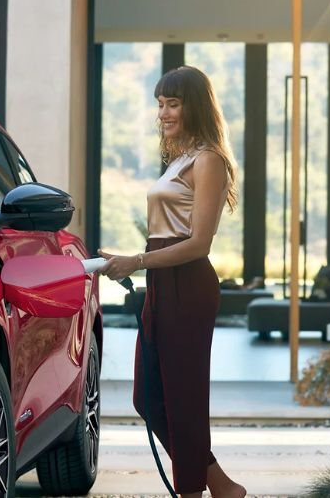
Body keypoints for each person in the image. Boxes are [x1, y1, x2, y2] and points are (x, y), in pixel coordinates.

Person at [98, 66, 247, 498]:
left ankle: (192, 491)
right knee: (148, 398)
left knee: (183, 397)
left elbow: (199, 243)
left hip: (188, 284)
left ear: (194, 106)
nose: (163, 113)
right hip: (164, 283)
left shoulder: (209, 160)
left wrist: (137, 261)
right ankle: (221, 486)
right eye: (160, 104)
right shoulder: (178, 159)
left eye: (173, 103)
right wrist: (127, 259)